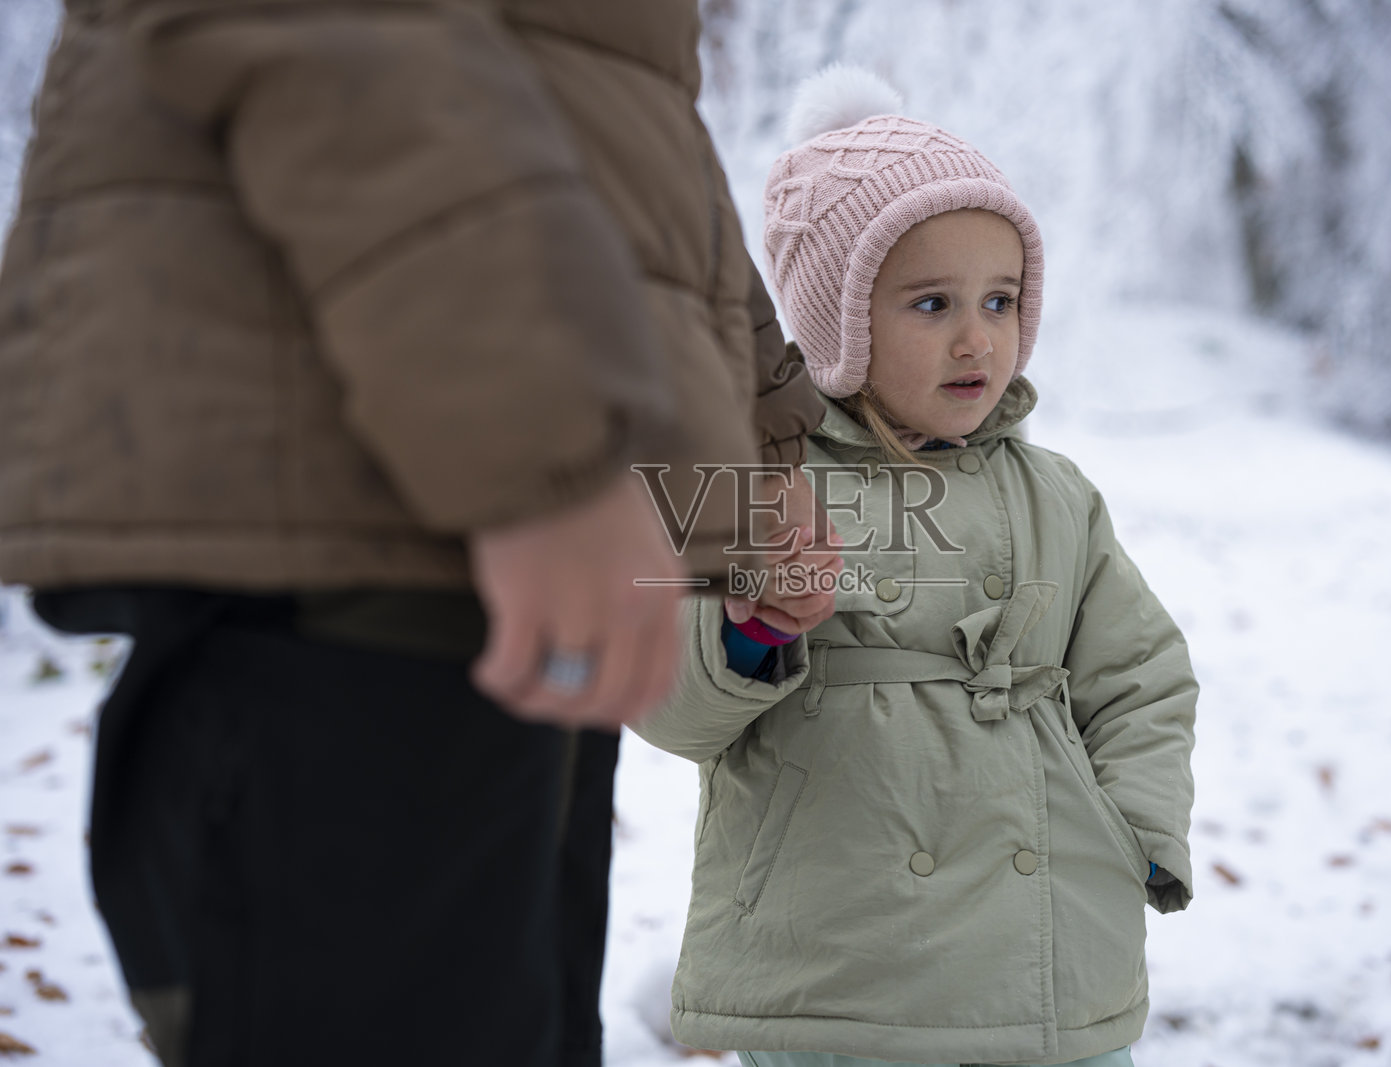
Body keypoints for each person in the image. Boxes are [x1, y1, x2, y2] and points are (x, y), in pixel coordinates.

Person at [0, 2, 830, 1065]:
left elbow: (612, 104)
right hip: (356, 498)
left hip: (477, 515)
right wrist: (534, 428)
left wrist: (765, 442)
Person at [633, 66, 1200, 1067]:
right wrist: (757, 623)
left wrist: (1133, 832)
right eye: (931, 302)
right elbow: (665, 699)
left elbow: (1139, 671)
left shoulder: (1055, 496)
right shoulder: (765, 483)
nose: (977, 335)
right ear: (840, 326)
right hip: (840, 966)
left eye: (1001, 298)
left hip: (1050, 962)